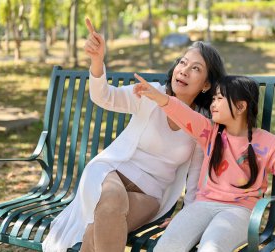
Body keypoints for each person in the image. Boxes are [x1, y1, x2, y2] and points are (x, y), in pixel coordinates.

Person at [42, 18, 226, 252]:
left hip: (150, 195)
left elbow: (195, 177)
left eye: (195, 69)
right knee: (110, 203)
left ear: (206, 85)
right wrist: (97, 61)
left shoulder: (201, 123)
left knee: (100, 226)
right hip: (111, 173)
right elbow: (105, 97)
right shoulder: (151, 94)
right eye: (183, 62)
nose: (184, 71)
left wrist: (187, 216)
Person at [133, 74, 275, 252]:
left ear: (240, 106)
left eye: (219, 98)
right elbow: (183, 113)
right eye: (213, 99)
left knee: (211, 248)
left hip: (240, 212)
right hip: (201, 206)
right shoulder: (209, 132)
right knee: (167, 246)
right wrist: (159, 97)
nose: (213, 104)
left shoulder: (266, 142)